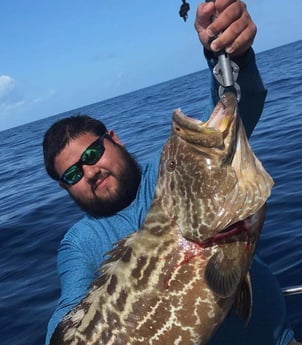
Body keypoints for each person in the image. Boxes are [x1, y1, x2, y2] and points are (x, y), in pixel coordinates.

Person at [43, 1, 301, 345]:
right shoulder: (81, 242)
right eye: (73, 175)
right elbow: (68, 310)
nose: (89, 171)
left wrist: (228, 55)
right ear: (65, 187)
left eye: (92, 153)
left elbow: (236, 107)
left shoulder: (169, 173)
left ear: (114, 140)